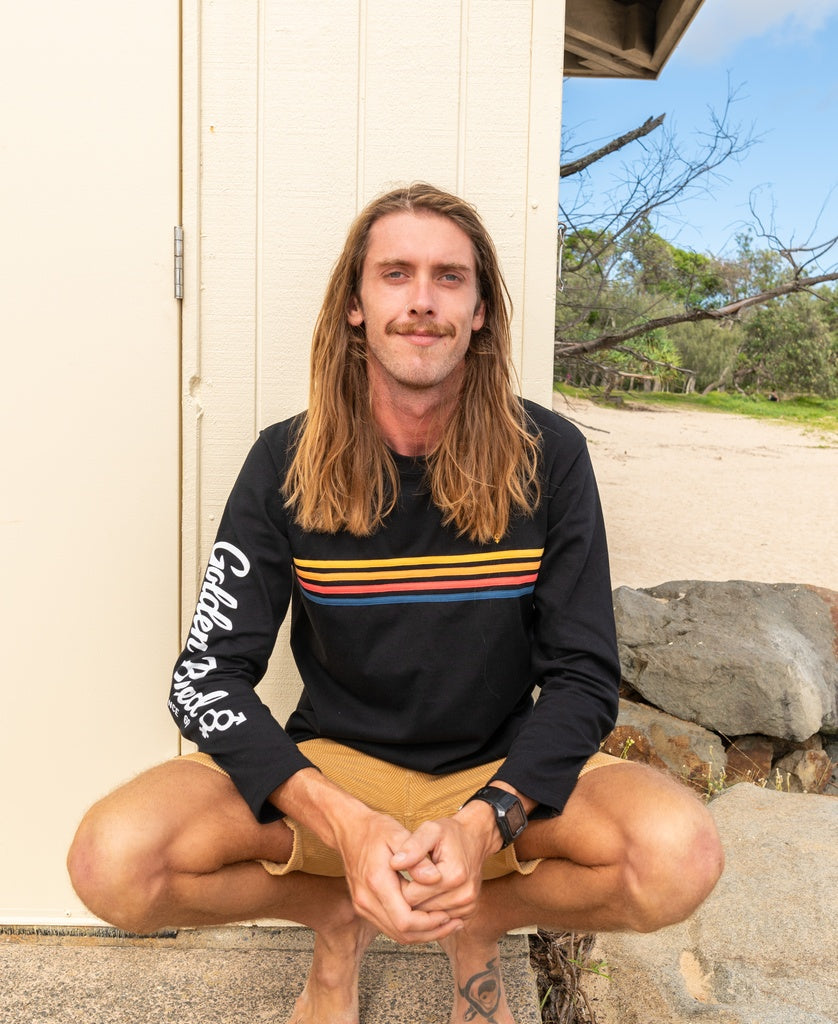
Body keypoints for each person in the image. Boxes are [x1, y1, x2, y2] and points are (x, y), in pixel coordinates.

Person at [68, 183, 723, 1024]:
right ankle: (337, 914)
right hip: (339, 765)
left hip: (495, 766)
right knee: (112, 863)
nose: (422, 301)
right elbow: (205, 677)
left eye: (450, 277)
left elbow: (584, 677)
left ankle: (475, 921)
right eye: (396, 274)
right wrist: (343, 824)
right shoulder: (285, 463)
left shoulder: (547, 456)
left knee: (679, 855)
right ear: (355, 304)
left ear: (481, 308)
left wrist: (487, 823)